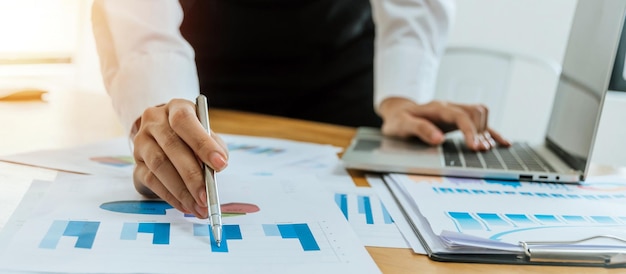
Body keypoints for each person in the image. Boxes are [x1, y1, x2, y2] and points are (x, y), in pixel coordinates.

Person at [91, 0, 510, 219]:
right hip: (208, 68)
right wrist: (161, 102)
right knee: (185, 168)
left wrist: (403, 94)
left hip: (344, 65)